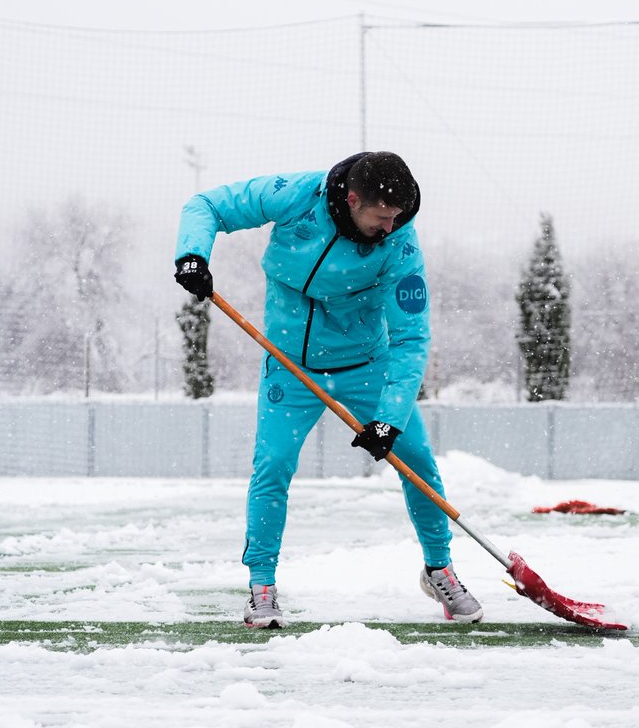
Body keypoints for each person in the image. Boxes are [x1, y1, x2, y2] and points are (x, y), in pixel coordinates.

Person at [173, 151, 483, 628]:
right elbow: (207, 206)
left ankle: (439, 568)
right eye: (382, 217)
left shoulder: (401, 245)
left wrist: (389, 418)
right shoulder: (297, 195)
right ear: (353, 199)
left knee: (417, 460)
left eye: (398, 218)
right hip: (289, 363)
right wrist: (193, 254)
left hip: (367, 364)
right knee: (273, 464)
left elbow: (411, 337)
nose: (390, 227)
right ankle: (262, 586)